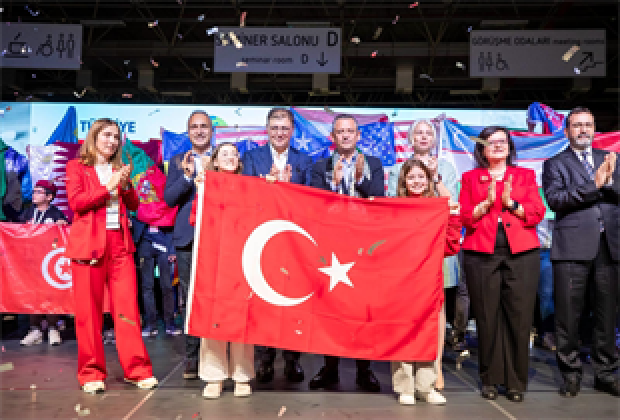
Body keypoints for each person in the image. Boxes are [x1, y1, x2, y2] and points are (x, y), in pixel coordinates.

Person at [65, 118, 157, 394]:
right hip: (89, 246)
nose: (112, 141)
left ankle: (137, 370)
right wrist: (108, 187)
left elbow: (134, 205)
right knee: (89, 314)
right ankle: (91, 373)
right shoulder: (77, 167)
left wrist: (125, 185)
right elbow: (77, 203)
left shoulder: (118, 168)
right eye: (107, 135)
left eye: (116, 137)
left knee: (128, 310)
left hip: (120, 244)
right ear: (94, 137)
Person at [459, 126, 545, 402]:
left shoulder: (525, 175)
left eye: (503, 141)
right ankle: (490, 379)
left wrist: (512, 204)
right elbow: (464, 216)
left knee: (519, 318)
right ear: (482, 149)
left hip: (521, 253)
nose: (498, 145)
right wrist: (484, 206)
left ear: (510, 147)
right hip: (481, 253)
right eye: (491, 142)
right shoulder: (470, 178)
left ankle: (516, 382)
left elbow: (537, 212)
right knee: (487, 317)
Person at [542, 107, 620, 398]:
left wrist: (608, 182)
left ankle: (605, 374)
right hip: (572, 248)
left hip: (609, 246)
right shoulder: (555, 164)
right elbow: (556, 199)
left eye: (588, 124)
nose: (583, 130)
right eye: (577, 125)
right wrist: (594, 185)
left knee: (606, 316)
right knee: (568, 316)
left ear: (595, 129)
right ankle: (571, 374)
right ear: (567, 131)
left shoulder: (611, 159)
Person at [309, 114, 384, 392]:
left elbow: (378, 198)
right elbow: (314, 203)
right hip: (331, 245)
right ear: (333, 136)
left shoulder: (373, 164)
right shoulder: (320, 167)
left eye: (350, 131)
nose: (345, 136)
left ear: (358, 135)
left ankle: (365, 370)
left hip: (363, 245)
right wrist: (333, 184)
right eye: (340, 132)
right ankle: (330, 368)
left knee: (363, 308)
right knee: (331, 308)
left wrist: (360, 180)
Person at [241, 107, 312, 384]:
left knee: (293, 303)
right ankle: (265, 359)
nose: (279, 133)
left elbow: (311, 201)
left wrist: (289, 189)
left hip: (294, 243)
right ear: (267, 130)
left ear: (292, 131)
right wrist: (269, 189)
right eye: (275, 128)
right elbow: (246, 196)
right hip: (262, 240)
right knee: (263, 302)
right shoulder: (251, 158)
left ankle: (292, 360)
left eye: (284, 128)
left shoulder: (304, 160)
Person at [386, 119, 460, 390]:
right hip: (407, 254)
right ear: (410, 138)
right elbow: (392, 204)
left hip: (436, 251)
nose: (424, 136)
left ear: (434, 138)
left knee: (436, 312)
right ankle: (406, 375)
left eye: (429, 133)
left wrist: (435, 177)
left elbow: (452, 203)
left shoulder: (447, 167)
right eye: (419, 132)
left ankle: (435, 367)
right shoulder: (398, 169)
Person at [189, 142, 255, 399]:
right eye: (224, 154)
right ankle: (214, 376)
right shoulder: (205, 185)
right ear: (215, 161)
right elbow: (195, 219)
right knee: (212, 315)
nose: (229, 157)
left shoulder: (249, 187)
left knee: (240, 316)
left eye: (234, 154)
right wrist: (201, 191)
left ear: (239, 161)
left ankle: (242, 375)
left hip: (242, 258)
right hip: (213, 258)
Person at [164, 110, 212, 379]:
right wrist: (185, 177)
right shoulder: (177, 161)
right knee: (190, 299)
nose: (199, 131)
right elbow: (169, 199)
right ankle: (192, 356)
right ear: (188, 131)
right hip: (188, 239)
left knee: (217, 297)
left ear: (211, 131)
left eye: (204, 126)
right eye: (194, 127)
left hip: (218, 236)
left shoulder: (223, 157)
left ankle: (216, 354)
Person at [18, 180, 68, 346]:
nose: (34, 194)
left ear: (49, 197)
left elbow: (64, 237)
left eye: (38, 192)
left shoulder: (56, 213)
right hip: (31, 262)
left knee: (50, 294)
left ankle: (53, 328)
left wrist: (62, 226)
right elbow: (16, 233)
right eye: (34, 191)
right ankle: (35, 330)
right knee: (33, 295)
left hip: (48, 263)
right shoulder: (27, 213)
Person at [132, 217, 180, 337]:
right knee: (147, 287)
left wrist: (172, 249)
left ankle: (170, 323)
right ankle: (151, 325)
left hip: (164, 239)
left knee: (167, 286)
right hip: (144, 241)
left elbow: (172, 215)